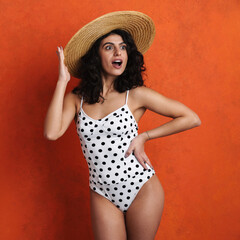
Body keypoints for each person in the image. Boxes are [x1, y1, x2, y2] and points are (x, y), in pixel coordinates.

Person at [44, 11, 201, 240]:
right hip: (102, 193)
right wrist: (62, 82)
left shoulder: (135, 95)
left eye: (123, 47)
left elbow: (191, 118)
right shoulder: (76, 98)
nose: (118, 52)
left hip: (141, 188)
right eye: (109, 47)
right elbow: (51, 132)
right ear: (95, 56)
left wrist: (144, 137)